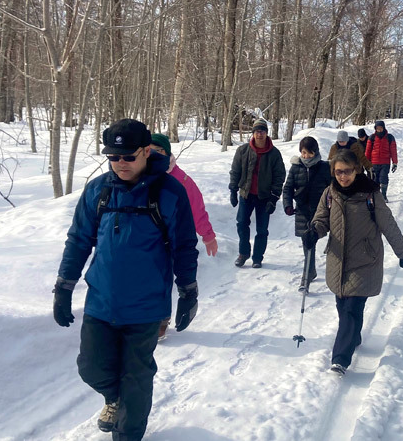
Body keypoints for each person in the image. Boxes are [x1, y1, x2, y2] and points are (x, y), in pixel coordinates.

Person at [53, 119, 199, 440]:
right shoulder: (98, 190)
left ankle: (128, 433)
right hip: (101, 302)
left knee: (136, 378)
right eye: (113, 157)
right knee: (90, 367)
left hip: (146, 307)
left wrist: (188, 292)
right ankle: (113, 398)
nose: (120, 164)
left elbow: (185, 246)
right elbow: (79, 240)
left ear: (146, 151)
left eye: (128, 157)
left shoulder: (170, 193)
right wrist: (63, 287)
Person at [302, 149, 403, 376]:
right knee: (343, 307)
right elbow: (321, 219)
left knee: (351, 309)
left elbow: (388, 224)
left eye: (348, 171)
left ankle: (340, 358)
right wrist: (314, 231)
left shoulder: (370, 194)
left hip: (364, 261)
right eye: (339, 172)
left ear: (357, 170)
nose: (343, 176)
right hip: (338, 259)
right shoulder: (330, 194)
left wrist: (402, 252)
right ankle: (353, 335)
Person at [150, 133, 217, 340]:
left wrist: (208, 235)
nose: (153, 154)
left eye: (159, 151)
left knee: (162, 281)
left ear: (167, 154)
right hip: (146, 241)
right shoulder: (139, 175)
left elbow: (197, 210)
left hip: (171, 241)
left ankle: (161, 321)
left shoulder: (182, 181)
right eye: (149, 150)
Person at [229, 119, 286, 269]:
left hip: (264, 196)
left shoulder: (274, 154)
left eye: (262, 131)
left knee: (262, 229)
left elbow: (279, 176)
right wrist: (233, 190)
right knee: (242, 224)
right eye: (256, 131)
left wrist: (274, 198)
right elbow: (235, 171)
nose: (259, 134)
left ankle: (257, 257)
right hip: (246, 194)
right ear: (253, 133)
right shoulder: (242, 150)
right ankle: (243, 253)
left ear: (267, 133)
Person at [282, 136, 331, 291]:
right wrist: (288, 205)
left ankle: (311, 271)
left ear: (315, 152)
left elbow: (333, 188)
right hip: (302, 210)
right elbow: (288, 188)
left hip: (320, 211)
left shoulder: (324, 167)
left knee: (313, 241)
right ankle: (308, 275)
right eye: (303, 153)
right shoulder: (296, 167)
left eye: (309, 153)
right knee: (307, 243)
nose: (306, 156)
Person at [365, 120, 398, 202]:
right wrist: (366, 163)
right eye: (377, 128)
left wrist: (395, 162)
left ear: (383, 128)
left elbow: (393, 151)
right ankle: (375, 196)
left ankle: (383, 195)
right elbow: (368, 151)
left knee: (383, 178)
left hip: (385, 162)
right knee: (375, 180)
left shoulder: (390, 137)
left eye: (380, 128)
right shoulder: (372, 138)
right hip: (374, 163)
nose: (379, 130)